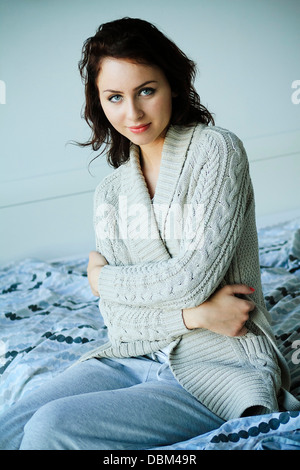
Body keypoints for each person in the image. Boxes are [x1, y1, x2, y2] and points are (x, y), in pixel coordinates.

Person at [0, 17, 291, 450]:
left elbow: (192, 279)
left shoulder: (216, 150)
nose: (132, 113)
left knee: (52, 427)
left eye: (146, 91)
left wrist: (102, 280)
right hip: (130, 356)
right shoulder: (111, 192)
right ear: (99, 103)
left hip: (219, 363)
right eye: (114, 97)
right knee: (9, 426)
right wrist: (193, 316)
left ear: (172, 84)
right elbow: (117, 321)